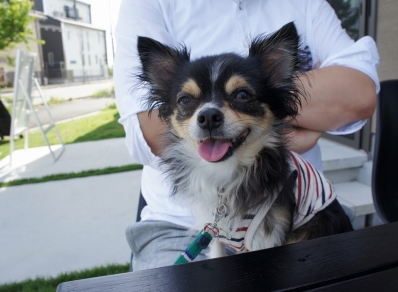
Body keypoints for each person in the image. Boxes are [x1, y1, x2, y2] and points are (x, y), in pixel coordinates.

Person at [113, 0, 379, 270]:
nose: (208, 114)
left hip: (306, 230)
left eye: (241, 95)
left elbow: (359, 96)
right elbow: (145, 131)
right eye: (186, 100)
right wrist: (316, 116)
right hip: (173, 226)